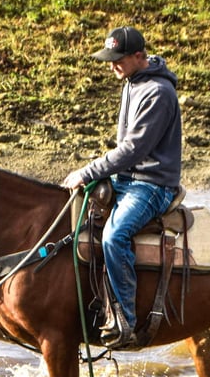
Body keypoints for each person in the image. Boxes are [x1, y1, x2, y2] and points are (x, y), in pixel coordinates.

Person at [62, 26, 182, 349]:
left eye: (118, 59)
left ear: (139, 56)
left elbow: (133, 150)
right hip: (126, 178)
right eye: (109, 59)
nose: (112, 65)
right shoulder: (132, 82)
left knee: (115, 236)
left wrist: (88, 171)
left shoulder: (158, 92)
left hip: (152, 185)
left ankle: (124, 318)